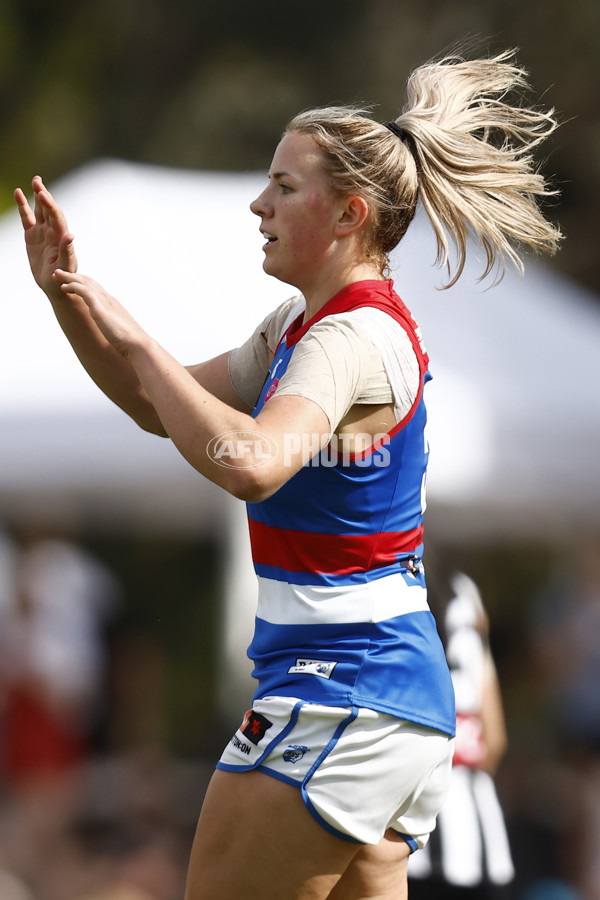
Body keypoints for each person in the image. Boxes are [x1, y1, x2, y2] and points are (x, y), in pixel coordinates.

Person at [15, 49, 561, 900]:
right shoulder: (301, 327)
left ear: (349, 213)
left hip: (344, 689)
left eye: (283, 186)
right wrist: (70, 297)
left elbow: (251, 463)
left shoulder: (354, 336)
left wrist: (133, 336)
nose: (257, 203)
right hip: (379, 702)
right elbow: (156, 407)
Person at [408, 564, 515, 899]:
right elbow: (494, 738)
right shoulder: (464, 590)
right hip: (478, 834)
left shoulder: (384, 574)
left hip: (407, 824)